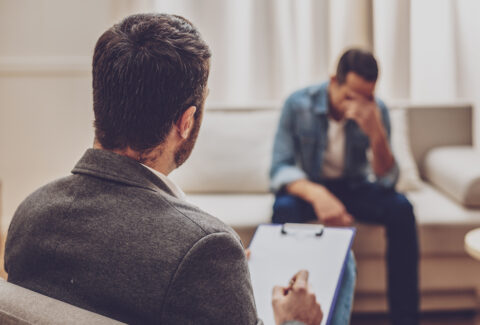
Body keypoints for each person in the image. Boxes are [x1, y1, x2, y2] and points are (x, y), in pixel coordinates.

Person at [5, 14, 322, 325]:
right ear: (186, 122)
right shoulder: (207, 247)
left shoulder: (31, 213)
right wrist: (292, 320)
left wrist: (224, 283)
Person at [270, 48, 419, 325]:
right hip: (311, 185)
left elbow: (387, 179)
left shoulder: (376, 111)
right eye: (351, 96)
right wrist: (319, 195)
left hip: (355, 187)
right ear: (333, 81)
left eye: (367, 97)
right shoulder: (298, 104)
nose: (358, 105)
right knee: (283, 207)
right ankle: (283, 313)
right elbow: (280, 168)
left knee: (402, 208)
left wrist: (376, 133)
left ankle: (406, 319)